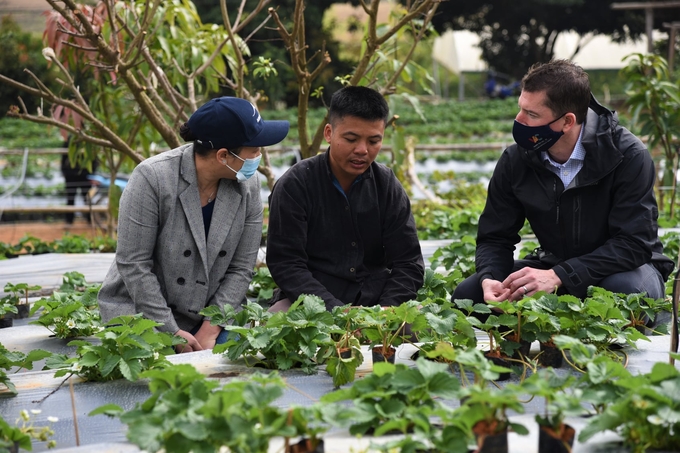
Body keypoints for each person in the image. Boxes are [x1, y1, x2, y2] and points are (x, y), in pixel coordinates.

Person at [453, 60, 674, 314]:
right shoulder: (517, 160)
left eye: (532, 115)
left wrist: (560, 275)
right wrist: (490, 276)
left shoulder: (627, 155)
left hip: (624, 270)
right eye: (520, 109)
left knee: (620, 295)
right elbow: (495, 236)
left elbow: (633, 245)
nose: (519, 120)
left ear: (567, 121)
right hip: (555, 266)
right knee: (468, 296)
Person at [98, 97, 289, 352]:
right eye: (254, 150)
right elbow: (133, 264)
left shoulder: (248, 186)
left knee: (238, 364)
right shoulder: (153, 178)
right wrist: (170, 330)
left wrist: (211, 328)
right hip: (142, 312)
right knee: (154, 381)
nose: (259, 156)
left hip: (212, 316)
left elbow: (241, 268)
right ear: (223, 156)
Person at [266, 86, 424, 312]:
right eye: (351, 139)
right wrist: (336, 310)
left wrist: (387, 308)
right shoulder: (296, 184)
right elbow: (287, 265)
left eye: (373, 141)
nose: (362, 150)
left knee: (424, 329)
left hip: (376, 300)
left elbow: (408, 262)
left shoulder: (387, 184)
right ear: (329, 133)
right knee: (276, 322)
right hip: (313, 302)